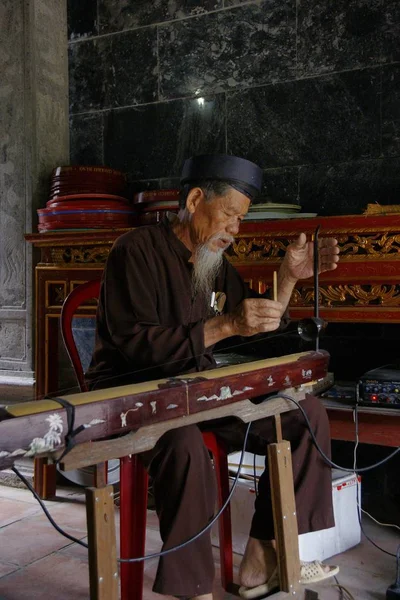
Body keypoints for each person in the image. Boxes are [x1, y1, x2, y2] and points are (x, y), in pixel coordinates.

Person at [86, 154, 341, 599]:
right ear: (196, 199)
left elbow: (255, 334)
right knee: (184, 446)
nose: (235, 230)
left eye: (241, 220)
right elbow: (138, 348)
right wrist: (225, 325)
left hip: (197, 392)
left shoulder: (215, 265)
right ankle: (195, 590)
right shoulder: (136, 250)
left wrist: (287, 279)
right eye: (229, 215)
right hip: (134, 396)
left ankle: (261, 557)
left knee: (306, 415)